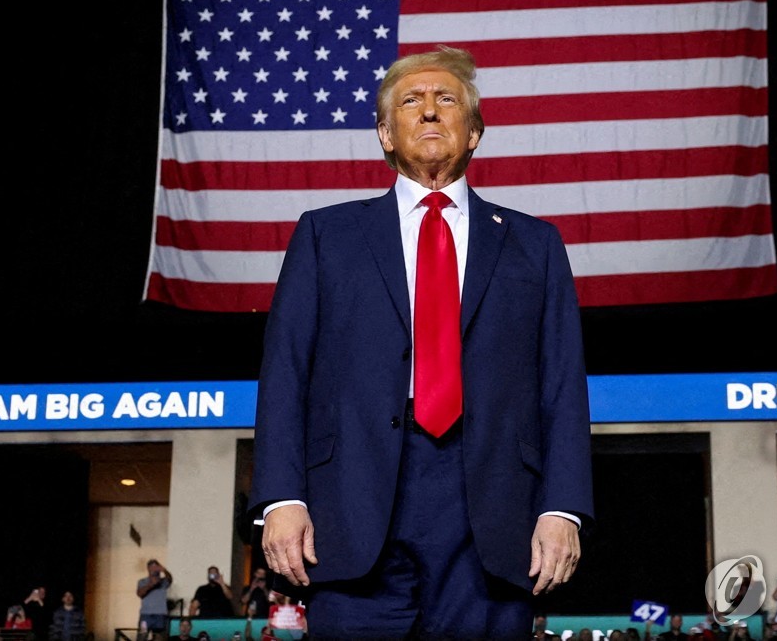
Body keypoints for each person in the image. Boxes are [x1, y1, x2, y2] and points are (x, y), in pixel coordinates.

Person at [250, 44, 595, 641]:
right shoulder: (325, 234)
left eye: (447, 100)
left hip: (489, 509)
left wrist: (561, 508)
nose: (430, 110)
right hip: (350, 504)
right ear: (385, 134)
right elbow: (285, 373)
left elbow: (562, 385)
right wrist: (281, 497)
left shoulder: (535, 245)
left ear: (475, 132)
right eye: (411, 101)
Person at [137, 558, 174, 641]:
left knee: (160, 638)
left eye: (156, 567)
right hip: (145, 616)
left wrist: (164, 569)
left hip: (160, 615)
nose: (154, 569)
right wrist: (151, 585)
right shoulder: (142, 581)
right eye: (152, 567)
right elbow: (140, 594)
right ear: (148, 569)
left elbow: (170, 579)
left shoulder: (163, 581)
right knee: (142, 636)